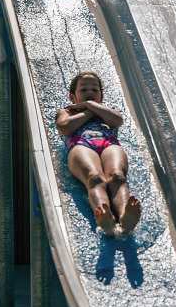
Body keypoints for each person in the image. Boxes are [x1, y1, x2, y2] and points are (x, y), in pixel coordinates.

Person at [56, 72, 141, 235]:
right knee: (94, 177)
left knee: (117, 176)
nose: (89, 92)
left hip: (108, 143)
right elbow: (65, 127)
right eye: (84, 89)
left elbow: (118, 121)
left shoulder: (108, 112)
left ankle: (125, 217)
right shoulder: (66, 112)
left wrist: (92, 106)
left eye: (94, 90)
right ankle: (105, 221)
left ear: (101, 96)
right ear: (72, 97)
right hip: (81, 145)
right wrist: (90, 109)